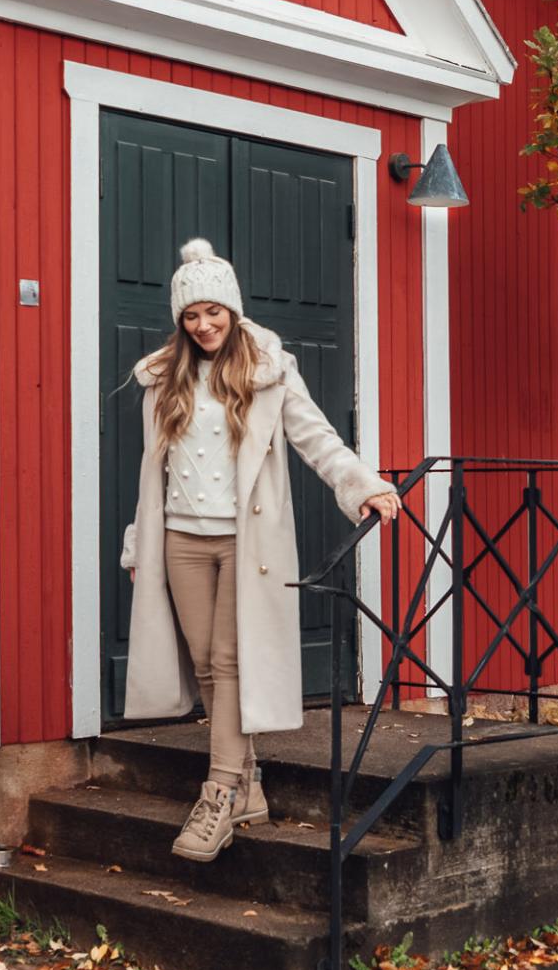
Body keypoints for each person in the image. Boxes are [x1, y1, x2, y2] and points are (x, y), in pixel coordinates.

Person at [119, 236, 399, 862]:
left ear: (233, 310)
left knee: (230, 656)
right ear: (180, 321)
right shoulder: (162, 380)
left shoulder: (270, 372)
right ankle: (249, 787)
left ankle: (217, 790)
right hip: (182, 538)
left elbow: (318, 439)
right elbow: (149, 473)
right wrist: (143, 547)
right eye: (191, 316)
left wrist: (365, 487)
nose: (204, 324)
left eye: (213, 312)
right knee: (208, 664)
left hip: (245, 542)